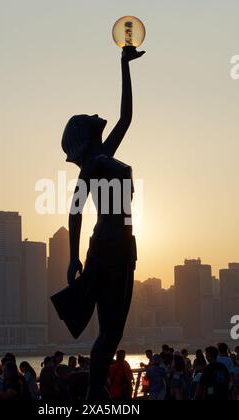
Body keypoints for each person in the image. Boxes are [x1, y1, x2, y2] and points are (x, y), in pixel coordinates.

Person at [61, 45, 145, 401]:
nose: (98, 114)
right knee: (109, 334)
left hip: (124, 246)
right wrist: (73, 257)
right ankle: (96, 395)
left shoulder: (103, 154)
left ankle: (97, 394)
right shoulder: (93, 164)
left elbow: (126, 116)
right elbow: (74, 211)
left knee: (113, 332)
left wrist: (124, 66)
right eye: (88, 115)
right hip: (108, 246)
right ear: (84, 132)